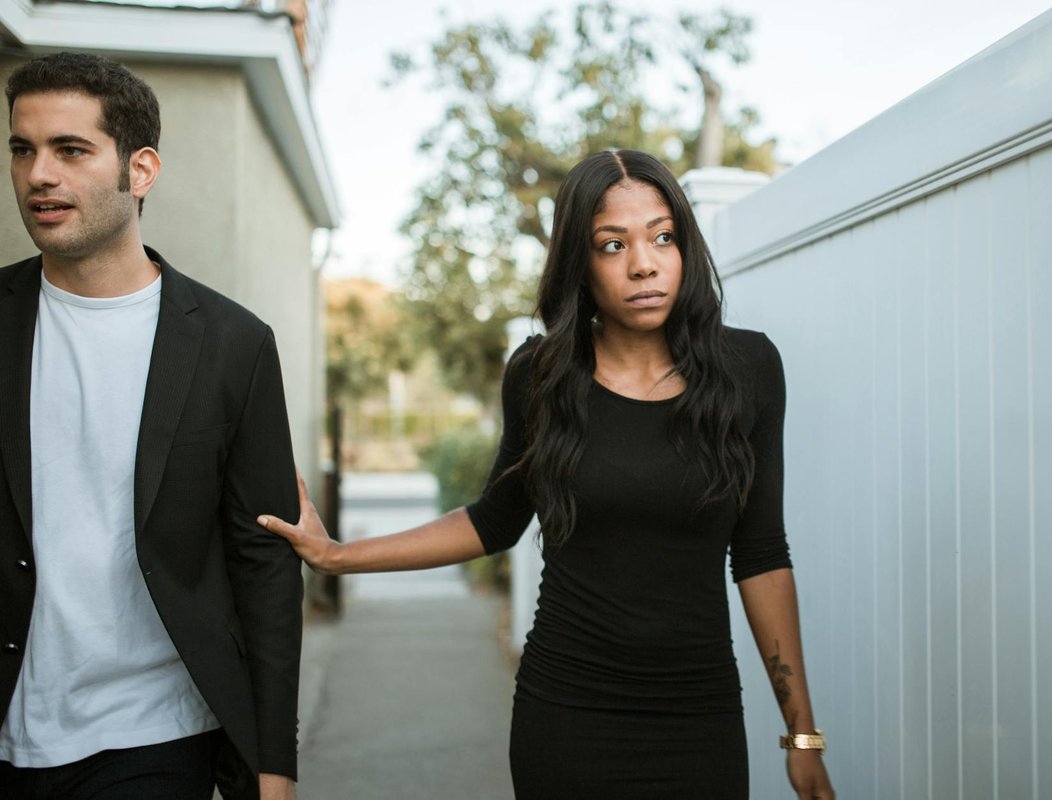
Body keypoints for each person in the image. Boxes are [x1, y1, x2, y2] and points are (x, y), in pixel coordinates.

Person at [259, 149, 836, 799]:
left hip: (699, 718)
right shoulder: (541, 378)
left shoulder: (748, 370)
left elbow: (761, 554)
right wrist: (338, 557)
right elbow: (493, 521)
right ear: (579, 264)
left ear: (685, 247)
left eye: (663, 237)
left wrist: (802, 737)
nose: (643, 263)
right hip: (568, 718)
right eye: (611, 245)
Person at [0, 52, 302, 800]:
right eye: (22, 148)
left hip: (156, 735)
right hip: (11, 727)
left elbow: (263, 564)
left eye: (71, 150)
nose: (39, 174)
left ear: (140, 171)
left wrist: (274, 763)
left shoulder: (234, 344)